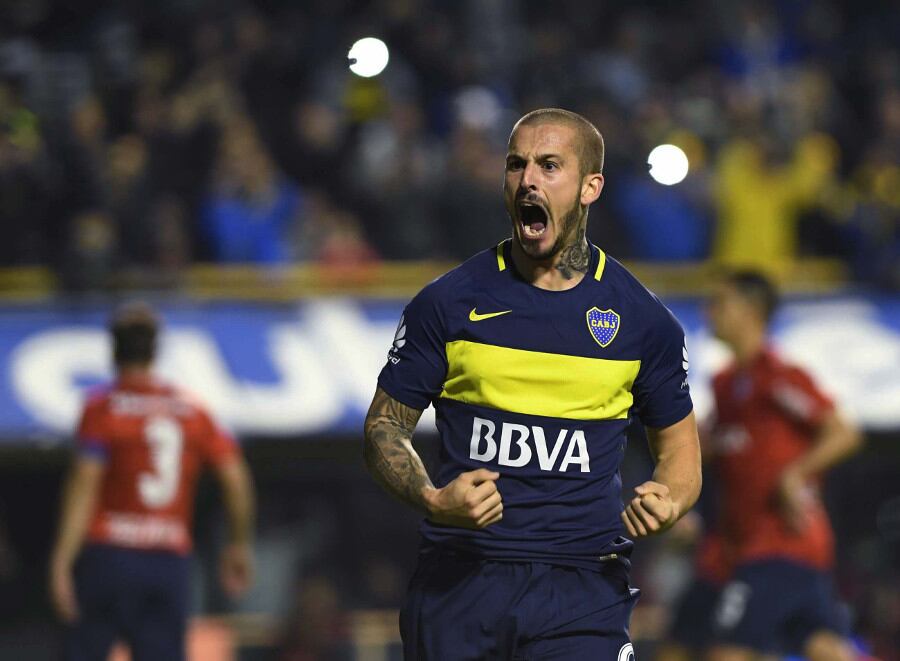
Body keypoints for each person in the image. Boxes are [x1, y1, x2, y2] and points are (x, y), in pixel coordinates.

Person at [363, 108, 702, 659]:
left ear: (590, 186)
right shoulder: (448, 305)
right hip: (461, 584)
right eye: (517, 165)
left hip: (582, 589)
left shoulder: (642, 322)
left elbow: (680, 448)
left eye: (549, 166)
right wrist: (431, 496)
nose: (528, 180)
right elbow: (383, 426)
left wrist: (672, 499)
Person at [49, 302, 255, 661]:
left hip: (107, 556)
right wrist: (237, 544)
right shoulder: (193, 410)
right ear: (155, 351)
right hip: (167, 561)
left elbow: (85, 482)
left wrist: (63, 559)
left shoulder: (102, 408)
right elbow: (235, 478)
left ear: (113, 349)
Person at [705, 271, 863, 661]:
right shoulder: (725, 384)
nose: (711, 312)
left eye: (722, 303)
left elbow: (843, 432)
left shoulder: (777, 378)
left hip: (777, 542)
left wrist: (794, 474)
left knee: (729, 651)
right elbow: (715, 451)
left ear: (752, 311)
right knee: (820, 646)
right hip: (770, 547)